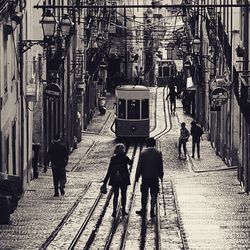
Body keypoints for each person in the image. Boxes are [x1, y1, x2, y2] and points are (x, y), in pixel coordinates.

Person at [101, 143, 133, 217]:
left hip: (115, 179)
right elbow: (131, 163)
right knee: (123, 194)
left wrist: (105, 182)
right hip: (124, 179)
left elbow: (109, 171)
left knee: (116, 195)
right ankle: (123, 210)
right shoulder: (125, 158)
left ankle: (114, 211)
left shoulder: (113, 159)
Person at [135, 137, 164, 218]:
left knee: (144, 194)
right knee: (154, 194)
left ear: (147, 144)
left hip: (145, 177)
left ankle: (143, 210)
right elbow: (160, 166)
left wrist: (137, 176)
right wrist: (161, 175)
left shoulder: (143, 152)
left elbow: (139, 166)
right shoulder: (158, 153)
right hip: (154, 177)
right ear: (154, 144)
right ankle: (152, 210)